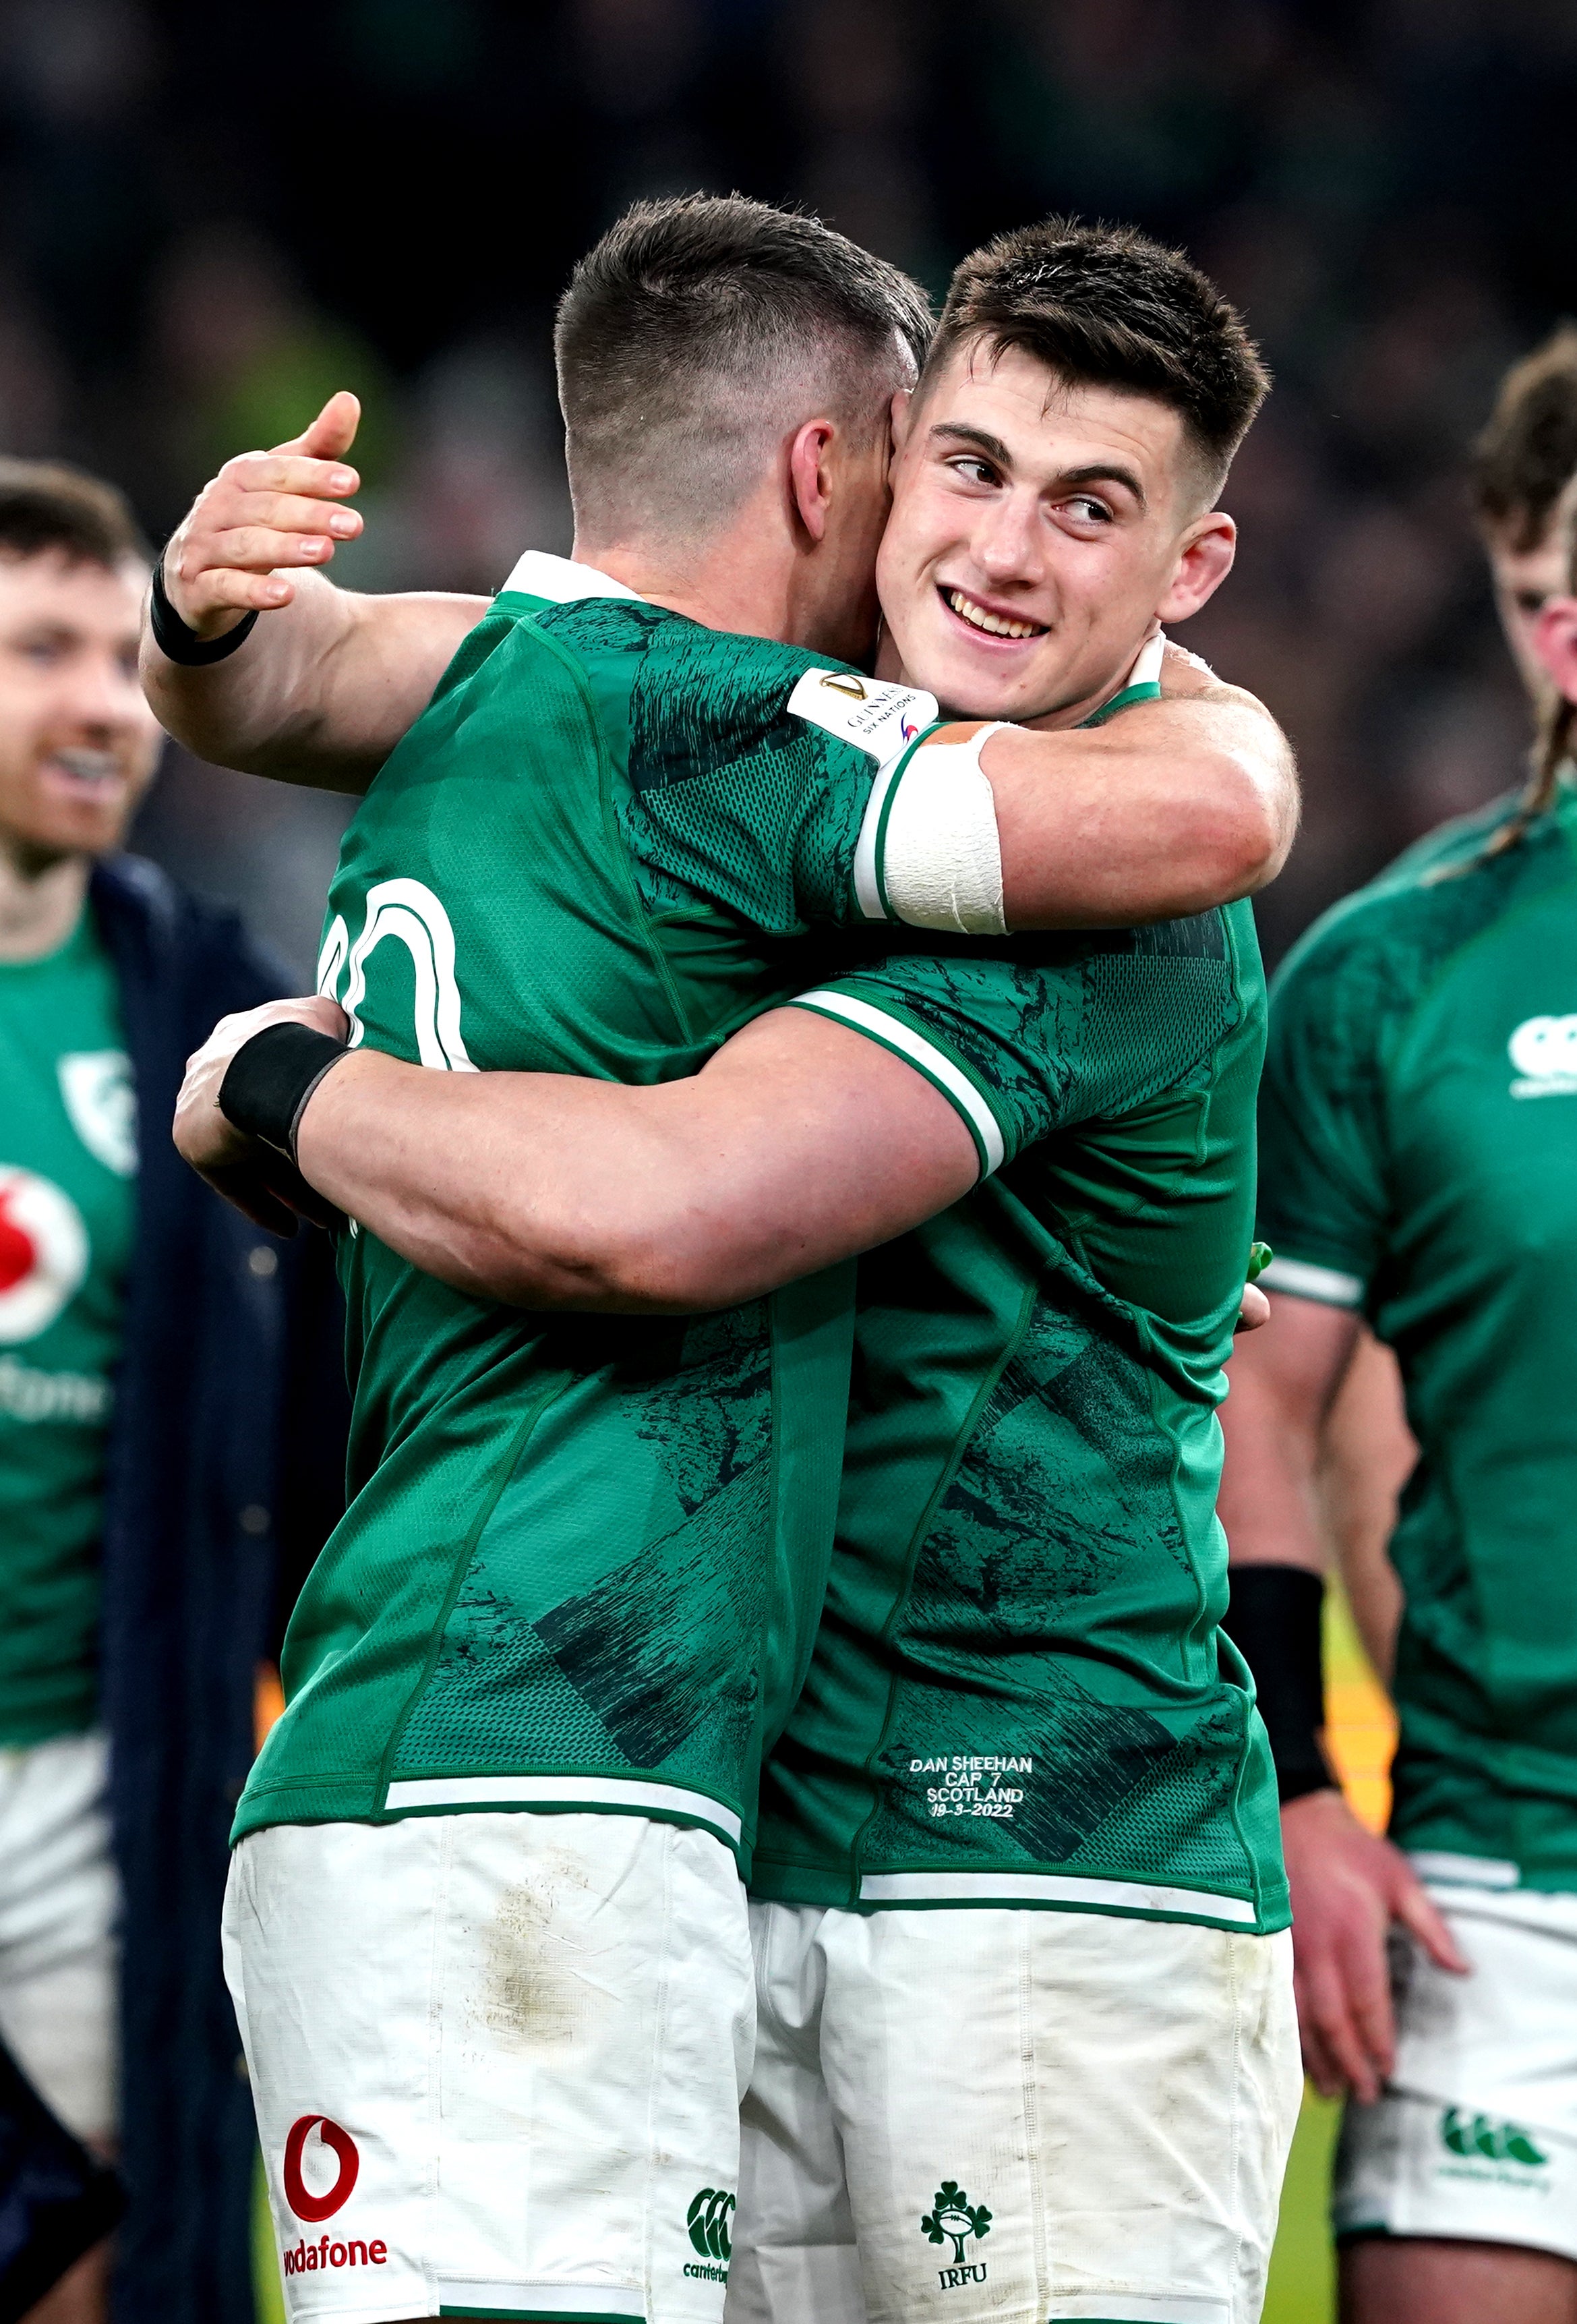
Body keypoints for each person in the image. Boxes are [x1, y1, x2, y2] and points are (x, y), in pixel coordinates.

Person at [157, 203, 1299, 2324]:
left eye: (1093, 509)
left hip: (1032, 1851)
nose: (1000, 553)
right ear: (849, 473)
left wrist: (275, 1090)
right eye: (959, 470)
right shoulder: (780, 763)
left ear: (1185, 572)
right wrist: (208, 643)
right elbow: (374, 667)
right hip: (695, 1808)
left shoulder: (1075, 869)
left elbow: (671, 1201)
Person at [1220, 328, 1577, 2324]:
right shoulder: (1388, 975)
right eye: (1535, 593)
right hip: (1496, 1893)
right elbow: (1255, 1400)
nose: (1562, 632)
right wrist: (1297, 1794)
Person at [0, 459, 348, 2324]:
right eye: (39, 647)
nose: (95, 701)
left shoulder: (218, 1007)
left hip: (96, 1793)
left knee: (96, 2274)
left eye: (112, 650)